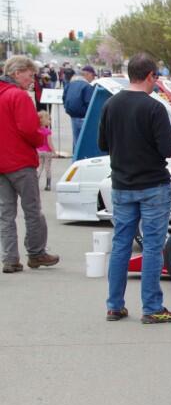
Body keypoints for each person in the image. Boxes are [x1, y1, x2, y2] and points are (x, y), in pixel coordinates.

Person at [98, 53, 171, 324]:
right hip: (153, 184)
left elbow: (102, 143)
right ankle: (152, 306)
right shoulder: (154, 108)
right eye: (155, 77)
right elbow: (168, 149)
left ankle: (114, 305)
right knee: (152, 245)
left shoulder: (111, 104)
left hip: (121, 183)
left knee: (121, 243)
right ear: (149, 76)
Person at [0, 55, 60, 274]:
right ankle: (36, 253)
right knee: (32, 209)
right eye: (29, 74)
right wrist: (39, 139)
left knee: (6, 213)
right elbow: (28, 129)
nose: (32, 78)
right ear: (17, 73)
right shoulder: (18, 96)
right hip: (19, 161)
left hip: (2, 163)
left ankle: (9, 258)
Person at [63, 64, 96, 151]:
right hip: (83, 116)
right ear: (88, 74)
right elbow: (90, 103)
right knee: (84, 142)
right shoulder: (87, 86)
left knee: (76, 141)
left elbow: (64, 97)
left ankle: (75, 159)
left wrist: (67, 108)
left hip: (73, 115)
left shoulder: (71, 84)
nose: (93, 79)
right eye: (93, 76)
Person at [36, 110, 55, 191]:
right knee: (48, 168)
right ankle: (48, 185)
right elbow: (49, 143)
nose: (50, 121)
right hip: (47, 152)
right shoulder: (47, 131)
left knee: (39, 167)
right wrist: (54, 151)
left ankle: (36, 183)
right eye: (49, 119)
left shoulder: (37, 130)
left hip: (39, 151)